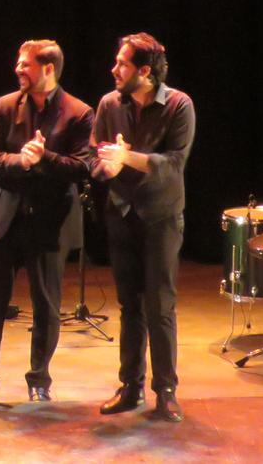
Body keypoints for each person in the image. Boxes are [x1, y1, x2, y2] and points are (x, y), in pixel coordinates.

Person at [0, 40, 93, 411]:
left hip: (49, 223)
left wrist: (44, 158)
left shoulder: (79, 113)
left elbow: (83, 167)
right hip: (4, 218)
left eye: (25, 64)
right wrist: (22, 162)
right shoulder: (4, 105)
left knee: (46, 306)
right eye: (18, 62)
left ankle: (39, 380)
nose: (18, 69)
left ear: (48, 69)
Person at [91, 32, 194, 423]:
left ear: (145, 71)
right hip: (121, 213)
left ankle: (165, 391)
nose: (113, 69)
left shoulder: (179, 105)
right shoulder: (108, 104)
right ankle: (130, 386)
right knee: (129, 304)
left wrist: (127, 158)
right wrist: (108, 166)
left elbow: (172, 163)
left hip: (161, 217)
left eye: (122, 64)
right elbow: (93, 156)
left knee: (159, 305)